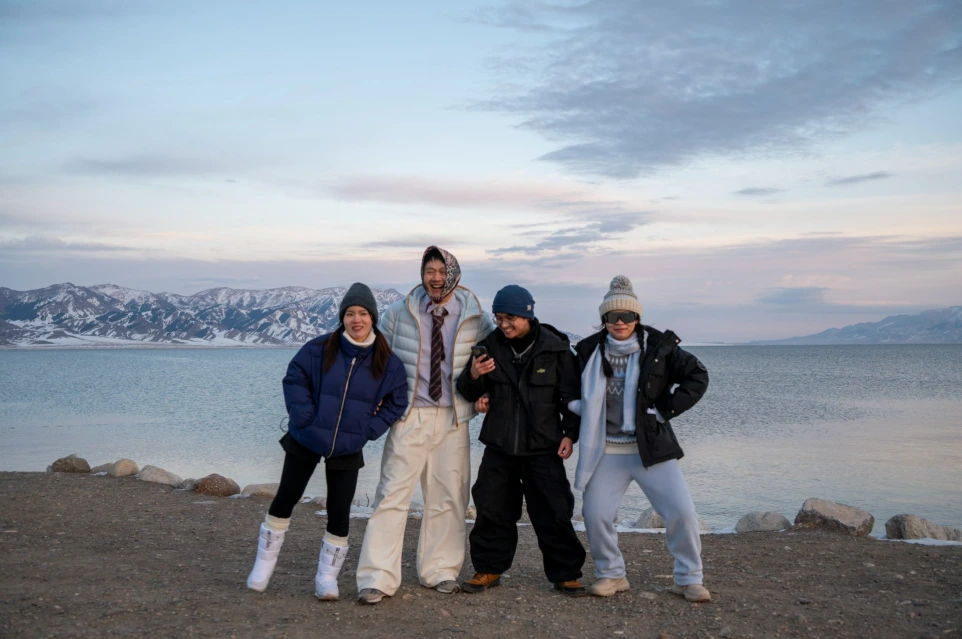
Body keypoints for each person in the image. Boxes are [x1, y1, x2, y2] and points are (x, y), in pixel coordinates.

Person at [246, 282, 408, 601]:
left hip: (349, 445)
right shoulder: (319, 348)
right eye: (350, 313)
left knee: (339, 509)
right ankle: (263, 566)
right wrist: (304, 417)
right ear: (342, 317)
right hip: (306, 437)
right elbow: (295, 379)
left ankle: (326, 578)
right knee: (286, 496)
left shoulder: (387, 362)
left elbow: (396, 402)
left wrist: (368, 429)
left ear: (372, 318)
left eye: (362, 313)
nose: (356, 319)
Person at [355, 246, 496, 604]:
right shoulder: (399, 311)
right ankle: (377, 577)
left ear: (454, 275)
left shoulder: (476, 316)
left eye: (441, 271)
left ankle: (441, 570)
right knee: (392, 494)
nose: (435, 277)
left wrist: (485, 395)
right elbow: (376, 356)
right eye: (429, 270)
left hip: (453, 415)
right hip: (410, 413)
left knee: (448, 496)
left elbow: (496, 361)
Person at [570, 275, 710, 601]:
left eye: (627, 316)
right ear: (604, 318)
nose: (620, 322)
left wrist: (663, 411)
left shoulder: (660, 348)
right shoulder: (587, 350)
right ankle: (611, 574)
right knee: (596, 514)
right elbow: (566, 389)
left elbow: (697, 376)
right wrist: (578, 409)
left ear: (637, 317)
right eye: (613, 316)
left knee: (683, 514)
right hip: (606, 450)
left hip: (651, 448)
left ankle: (689, 579)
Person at [455, 285, 587, 596]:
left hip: (544, 446)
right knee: (491, 508)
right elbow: (468, 391)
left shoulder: (555, 350)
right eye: (499, 318)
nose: (503, 325)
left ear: (527, 314)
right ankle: (488, 569)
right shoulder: (488, 347)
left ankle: (566, 574)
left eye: (510, 318)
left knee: (554, 511)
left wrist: (570, 434)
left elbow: (573, 399)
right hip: (499, 446)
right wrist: (474, 376)